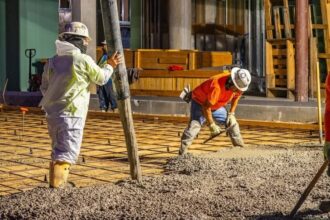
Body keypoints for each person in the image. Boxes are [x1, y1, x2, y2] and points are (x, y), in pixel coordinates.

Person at [39, 22, 123, 188]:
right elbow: (101, 78)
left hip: (52, 114)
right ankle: (57, 188)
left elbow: (44, 87)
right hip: (72, 114)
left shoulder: (52, 61)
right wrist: (110, 65)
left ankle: (55, 184)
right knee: (67, 154)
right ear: (78, 40)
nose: (86, 44)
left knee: (58, 150)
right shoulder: (82, 59)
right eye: (85, 40)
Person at [178, 67, 251, 155]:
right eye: (237, 89)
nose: (239, 91)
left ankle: (239, 148)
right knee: (194, 126)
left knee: (232, 123)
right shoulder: (217, 87)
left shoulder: (238, 86)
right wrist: (211, 124)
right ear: (231, 82)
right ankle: (182, 154)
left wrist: (231, 113)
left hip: (215, 105)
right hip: (200, 102)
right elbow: (205, 107)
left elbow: (236, 97)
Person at [97, 40, 118, 112]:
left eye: (105, 45)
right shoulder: (103, 57)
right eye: (103, 45)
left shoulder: (111, 57)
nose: (103, 47)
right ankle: (103, 113)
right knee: (102, 98)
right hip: (101, 80)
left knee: (112, 97)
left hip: (109, 80)